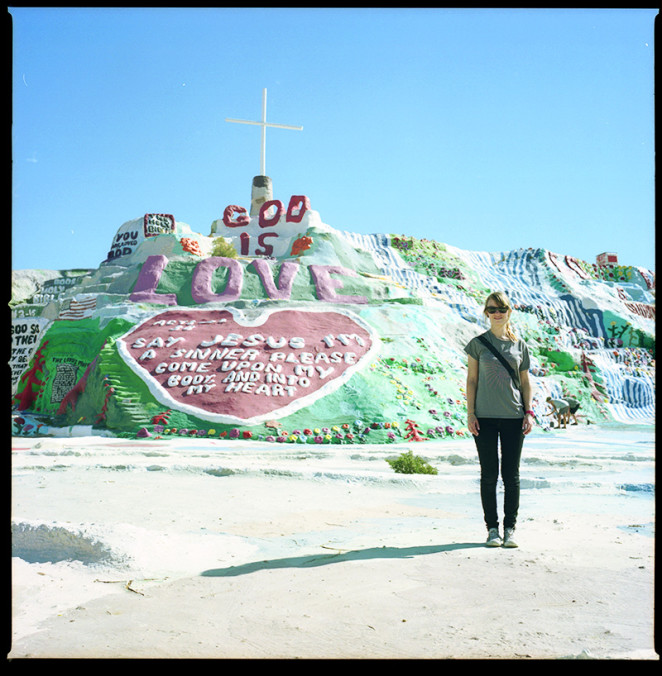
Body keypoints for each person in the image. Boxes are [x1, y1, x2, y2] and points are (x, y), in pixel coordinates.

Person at [465, 291, 534, 548]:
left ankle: (510, 529)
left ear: (509, 312)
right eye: (492, 309)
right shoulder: (477, 344)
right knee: (489, 475)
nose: (497, 313)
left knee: (511, 475)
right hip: (484, 417)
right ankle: (492, 530)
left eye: (501, 309)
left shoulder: (520, 346)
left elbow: (525, 382)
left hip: (514, 416)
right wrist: (470, 413)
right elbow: (472, 380)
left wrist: (529, 412)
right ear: (486, 313)